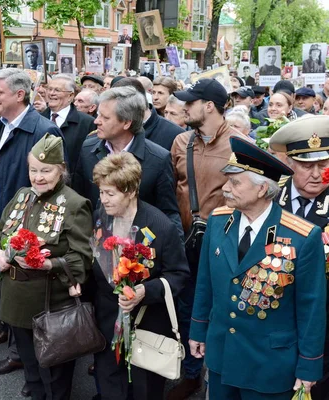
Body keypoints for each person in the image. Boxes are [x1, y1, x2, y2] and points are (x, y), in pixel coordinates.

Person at [189, 136, 326, 399]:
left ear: (262, 189)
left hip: (269, 366)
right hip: (222, 354)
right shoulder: (218, 221)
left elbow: (312, 308)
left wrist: (308, 366)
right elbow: (205, 282)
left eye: (235, 182)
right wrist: (198, 329)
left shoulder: (302, 236)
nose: (225, 188)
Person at [0, 133, 92, 400]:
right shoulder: (23, 196)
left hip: (49, 304)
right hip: (16, 301)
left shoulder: (75, 204)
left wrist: (48, 264)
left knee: (54, 374)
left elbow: (82, 259)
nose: (38, 177)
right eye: (34, 170)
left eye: (46, 170)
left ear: (61, 170)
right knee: (31, 371)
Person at [0, 69, 62, 395]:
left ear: (19, 95)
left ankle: (37, 369)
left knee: (29, 307)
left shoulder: (43, 130)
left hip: (24, 234)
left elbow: (50, 189)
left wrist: (28, 237)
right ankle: (20, 356)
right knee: (8, 299)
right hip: (0, 226)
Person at [91, 152, 189, 399]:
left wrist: (146, 291)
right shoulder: (100, 217)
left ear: (132, 191)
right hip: (107, 320)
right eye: (101, 192)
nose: (104, 200)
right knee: (109, 383)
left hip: (147, 324)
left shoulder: (160, 226)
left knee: (145, 389)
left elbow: (179, 275)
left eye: (110, 194)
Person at [167, 79, 240, 400]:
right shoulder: (181, 141)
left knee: (222, 308)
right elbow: (172, 191)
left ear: (208, 106)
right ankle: (192, 373)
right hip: (185, 242)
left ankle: (220, 374)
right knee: (187, 306)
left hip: (224, 243)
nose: (185, 107)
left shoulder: (240, 144)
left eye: (191, 102)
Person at [269, 116, 329, 399]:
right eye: (306, 165)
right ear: (290, 163)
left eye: (323, 164)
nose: (316, 174)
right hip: (273, 313)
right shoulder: (268, 195)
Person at [73, 86, 183, 236]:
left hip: (137, 250)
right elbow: (79, 200)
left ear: (126, 123)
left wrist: (175, 255)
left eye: (105, 118)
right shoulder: (88, 149)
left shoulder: (158, 159)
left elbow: (168, 212)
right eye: (98, 115)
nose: (96, 121)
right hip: (94, 245)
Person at [40, 74, 96, 176]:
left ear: (70, 96)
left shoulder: (87, 123)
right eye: (49, 89)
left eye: (57, 90)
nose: (51, 93)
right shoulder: (38, 119)